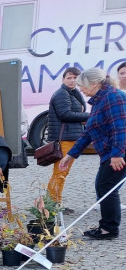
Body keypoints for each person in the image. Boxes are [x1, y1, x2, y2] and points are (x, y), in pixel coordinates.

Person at [57, 67, 126, 240]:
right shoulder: (99, 100)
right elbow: (88, 132)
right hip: (109, 151)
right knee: (103, 185)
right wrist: (71, 154)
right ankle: (107, 225)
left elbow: (120, 128)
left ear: (94, 84)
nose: (81, 89)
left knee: (106, 187)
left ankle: (109, 229)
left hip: (118, 151)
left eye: (83, 86)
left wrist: (117, 154)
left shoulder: (112, 97)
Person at [44, 67, 88, 208]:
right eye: (69, 77)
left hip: (71, 136)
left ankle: (53, 203)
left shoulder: (73, 93)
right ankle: (52, 205)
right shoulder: (62, 94)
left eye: (75, 78)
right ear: (63, 79)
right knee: (60, 172)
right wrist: (89, 116)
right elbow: (65, 114)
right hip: (65, 138)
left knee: (62, 172)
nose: (72, 80)